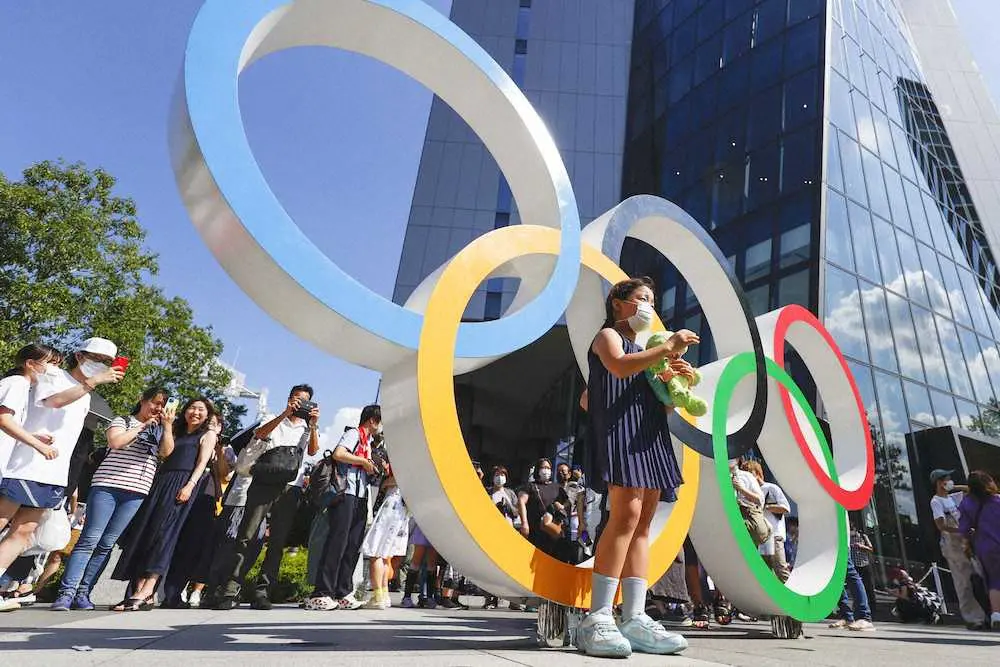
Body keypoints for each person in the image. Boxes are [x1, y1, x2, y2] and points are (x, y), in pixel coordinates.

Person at [575, 276, 696, 658]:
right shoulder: (608, 337)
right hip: (623, 436)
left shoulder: (647, 354)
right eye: (641, 298)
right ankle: (597, 617)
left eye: (652, 300)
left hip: (649, 436)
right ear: (618, 303)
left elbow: (658, 403)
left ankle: (635, 616)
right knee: (624, 516)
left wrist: (675, 382)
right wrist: (667, 350)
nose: (648, 306)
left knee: (642, 522)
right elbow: (618, 368)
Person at [0, 338, 122, 605]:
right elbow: (53, 401)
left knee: (24, 532)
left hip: (53, 472)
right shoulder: (54, 373)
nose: (101, 365)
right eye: (97, 358)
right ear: (79, 356)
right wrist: (92, 382)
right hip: (25, 464)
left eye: (107, 362)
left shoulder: (86, 394)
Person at [50, 387, 172, 611]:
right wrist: (143, 426)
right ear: (142, 400)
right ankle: (66, 592)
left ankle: (84, 592)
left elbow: (166, 453)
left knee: (106, 545)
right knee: (89, 540)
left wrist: (168, 426)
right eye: (154, 403)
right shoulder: (123, 420)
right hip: (107, 486)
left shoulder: (161, 429)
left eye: (162, 405)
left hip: (136, 492)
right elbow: (116, 442)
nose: (157, 408)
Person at [213, 385, 319, 610]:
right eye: (298, 400)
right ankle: (231, 588)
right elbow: (260, 434)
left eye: (306, 401)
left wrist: (313, 426)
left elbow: (312, 451)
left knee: (277, 541)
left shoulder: (307, 428)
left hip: (291, 486)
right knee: (247, 535)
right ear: (290, 399)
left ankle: (263, 591)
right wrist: (284, 414)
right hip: (263, 481)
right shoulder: (272, 417)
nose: (301, 404)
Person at [111, 396, 217, 610]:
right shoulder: (175, 430)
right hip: (161, 481)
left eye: (200, 410)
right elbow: (163, 453)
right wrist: (167, 426)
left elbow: (202, 463)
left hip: (183, 483)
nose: (195, 413)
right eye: (191, 408)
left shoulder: (208, 434)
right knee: (146, 533)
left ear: (207, 415)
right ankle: (138, 591)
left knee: (164, 535)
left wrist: (189, 486)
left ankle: (148, 588)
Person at [304, 404, 380, 611]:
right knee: (337, 542)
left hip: (361, 495)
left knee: (352, 544)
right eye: (381, 422)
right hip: (345, 492)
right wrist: (364, 462)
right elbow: (339, 453)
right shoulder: (355, 434)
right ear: (372, 420)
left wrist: (371, 467)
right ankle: (322, 592)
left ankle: (343, 591)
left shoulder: (370, 442)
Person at [162, 411, 233, 607]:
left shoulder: (226, 450)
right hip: (183, 493)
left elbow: (225, 476)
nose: (210, 427)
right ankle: (162, 590)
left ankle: (176, 591)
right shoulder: (191, 439)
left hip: (206, 500)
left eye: (214, 424)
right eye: (208, 423)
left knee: (193, 548)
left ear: (220, 428)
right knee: (172, 542)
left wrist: (218, 451)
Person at [929, 468, 987, 629]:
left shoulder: (954, 498)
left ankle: (987, 612)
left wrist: (953, 487)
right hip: (952, 545)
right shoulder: (936, 502)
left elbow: (969, 489)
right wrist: (962, 530)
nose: (949, 481)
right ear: (939, 482)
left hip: (966, 542)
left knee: (981, 574)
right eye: (946, 479)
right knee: (963, 582)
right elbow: (941, 525)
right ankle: (973, 618)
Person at [0, 344, 61, 477]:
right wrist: (39, 446)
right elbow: (3, 420)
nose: (55, 370)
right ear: (30, 364)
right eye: (51, 363)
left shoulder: (17, 384)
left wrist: (31, 436)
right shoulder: (17, 383)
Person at [360, 441, 408, 610]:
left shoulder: (400, 456)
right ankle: (384, 594)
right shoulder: (414, 458)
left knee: (376, 553)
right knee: (386, 555)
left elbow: (397, 478)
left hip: (391, 503)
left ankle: (377, 595)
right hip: (402, 509)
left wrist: (384, 482)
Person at [958, 470, 1000, 630]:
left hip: (984, 547)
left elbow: (964, 530)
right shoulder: (997, 501)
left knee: (993, 581)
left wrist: (968, 542)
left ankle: (996, 614)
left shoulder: (967, 503)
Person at [829, 553, 876, 631]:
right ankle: (847, 617)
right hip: (829, 546)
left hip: (838, 545)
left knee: (850, 573)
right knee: (835, 577)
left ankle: (864, 617)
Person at [849, 524, 876, 615]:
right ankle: (856, 608)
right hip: (854, 565)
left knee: (868, 587)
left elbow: (871, 549)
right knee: (855, 587)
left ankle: (872, 608)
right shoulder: (847, 538)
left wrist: (861, 546)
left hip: (864, 564)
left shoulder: (863, 536)